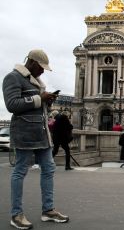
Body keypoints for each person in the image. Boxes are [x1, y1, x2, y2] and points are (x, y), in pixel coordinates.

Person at [2, 49, 69, 229]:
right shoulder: (12, 78)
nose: (42, 71)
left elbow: (36, 105)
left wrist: (47, 100)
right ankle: (16, 214)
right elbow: (12, 105)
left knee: (49, 169)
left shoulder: (36, 81)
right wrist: (40, 98)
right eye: (41, 67)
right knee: (20, 172)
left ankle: (48, 210)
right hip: (24, 133)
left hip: (41, 133)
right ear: (31, 63)